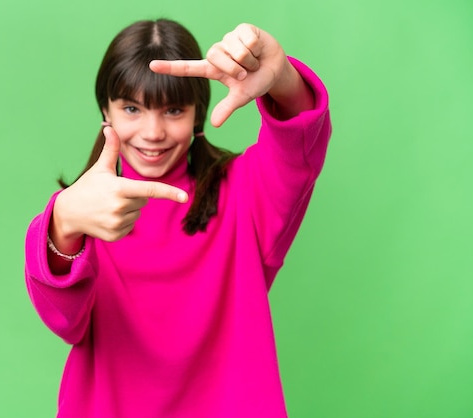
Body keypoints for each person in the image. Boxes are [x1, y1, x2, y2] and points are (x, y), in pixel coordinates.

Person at [25, 18, 331, 417]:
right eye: (132, 108)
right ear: (106, 110)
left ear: (197, 114)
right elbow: (64, 321)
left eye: (173, 110)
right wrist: (63, 221)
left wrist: (283, 77)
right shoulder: (86, 210)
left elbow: (298, 146)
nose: (152, 132)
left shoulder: (245, 195)